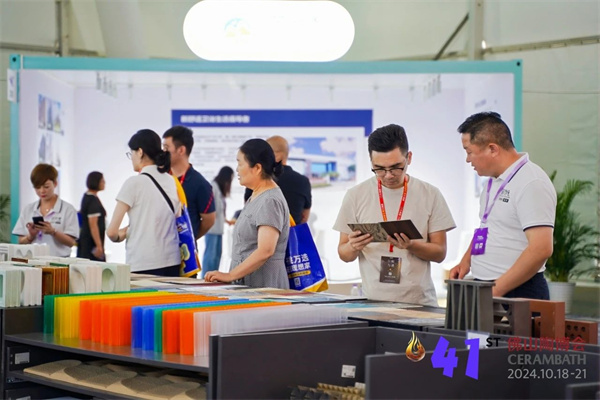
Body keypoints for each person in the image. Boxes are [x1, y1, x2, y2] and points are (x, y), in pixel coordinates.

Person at [333, 124, 456, 307]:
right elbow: (344, 254)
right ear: (371, 162)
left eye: (396, 167)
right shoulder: (356, 195)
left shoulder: (430, 194)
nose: (388, 175)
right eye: (379, 169)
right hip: (372, 304)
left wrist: (411, 245)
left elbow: (439, 253)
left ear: (409, 158)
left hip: (420, 304)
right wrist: (353, 246)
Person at [450, 112, 556, 299]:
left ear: (492, 149)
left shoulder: (531, 182)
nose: (467, 159)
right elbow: (488, 227)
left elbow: (541, 249)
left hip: (518, 290)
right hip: (488, 286)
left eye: (469, 152)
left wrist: (497, 289)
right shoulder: (493, 181)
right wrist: (466, 261)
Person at [204, 139, 290, 289]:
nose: (237, 170)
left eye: (240, 163)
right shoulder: (256, 195)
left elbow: (266, 250)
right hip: (251, 286)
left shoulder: (269, 200)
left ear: (257, 168)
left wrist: (230, 275)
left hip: (265, 288)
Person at [107, 129, 180, 275]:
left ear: (140, 152)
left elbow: (112, 232)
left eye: (131, 153)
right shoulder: (171, 181)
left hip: (143, 264)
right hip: (172, 261)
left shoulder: (133, 183)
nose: (131, 158)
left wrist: (122, 234)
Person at [12, 163, 79, 257]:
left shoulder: (68, 209)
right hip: (33, 261)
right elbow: (21, 242)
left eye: (46, 187)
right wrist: (31, 236)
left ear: (55, 183)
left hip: (59, 262)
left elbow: (71, 242)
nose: (42, 191)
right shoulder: (28, 209)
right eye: (37, 187)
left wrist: (53, 232)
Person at [162, 126, 216, 240]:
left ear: (181, 150)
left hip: (184, 248)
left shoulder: (200, 184)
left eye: (166, 148)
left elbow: (209, 220)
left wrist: (190, 238)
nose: (163, 152)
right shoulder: (160, 177)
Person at [245, 136, 312, 224]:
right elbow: (304, 217)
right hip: (292, 232)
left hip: (260, 231)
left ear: (277, 155)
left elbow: (248, 213)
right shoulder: (303, 181)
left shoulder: (255, 179)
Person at [202, 166, 235, 277]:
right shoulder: (214, 187)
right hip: (212, 229)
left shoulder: (220, 190)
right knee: (210, 258)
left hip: (219, 229)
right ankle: (205, 278)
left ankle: (213, 278)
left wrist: (227, 221)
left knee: (217, 257)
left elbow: (220, 210)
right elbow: (210, 208)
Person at [77, 171, 107, 260]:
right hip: (90, 244)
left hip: (86, 241)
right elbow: (93, 225)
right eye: (102, 181)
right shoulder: (92, 200)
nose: (104, 183)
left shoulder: (88, 197)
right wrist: (99, 246)